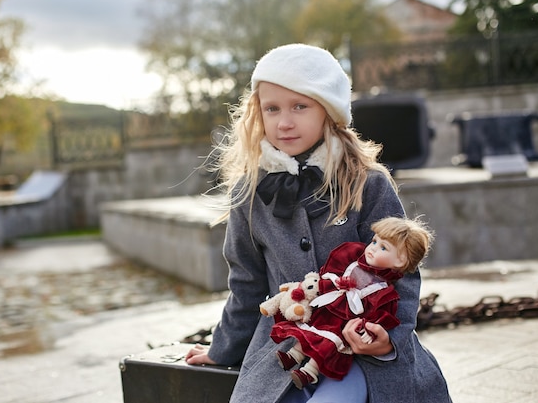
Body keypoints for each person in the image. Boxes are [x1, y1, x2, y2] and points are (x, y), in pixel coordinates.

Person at [185, 43, 451, 402]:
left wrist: (390, 336)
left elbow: (402, 268)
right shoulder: (249, 193)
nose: (285, 121)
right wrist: (222, 350)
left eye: (300, 106)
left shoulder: (367, 183)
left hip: (361, 343)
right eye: (272, 108)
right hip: (287, 346)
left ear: (328, 110)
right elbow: (246, 283)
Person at [270, 217, 434, 390]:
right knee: (312, 329)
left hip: (348, 323)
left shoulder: (383, 291)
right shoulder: (353, 260)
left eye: (383, 247)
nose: (372, 249)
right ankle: (293, 355)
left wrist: (368, 332)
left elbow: (379, 316)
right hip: (330, 306)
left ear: (399, 261)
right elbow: (332, 277)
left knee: (329, 344)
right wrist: (326, 285)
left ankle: (309, 372)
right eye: (374, 241)